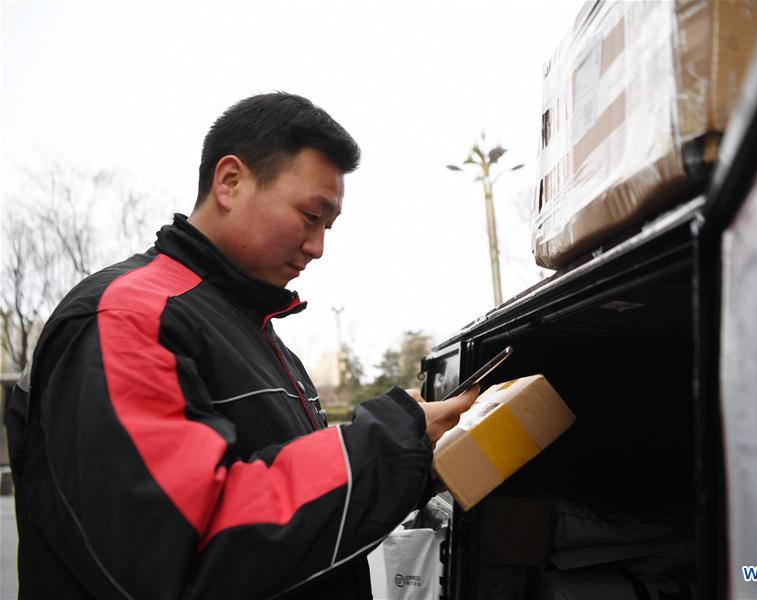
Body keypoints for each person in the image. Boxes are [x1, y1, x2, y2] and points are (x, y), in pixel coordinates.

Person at [5, 92, 478, 600]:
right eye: (309, 216)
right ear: (230, 182)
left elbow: (288, 494)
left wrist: (417, 461)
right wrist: (390, 442)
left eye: (328, 227)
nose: (318, 247)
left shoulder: (255, 334)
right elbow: (184, 555)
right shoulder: (127, 317)